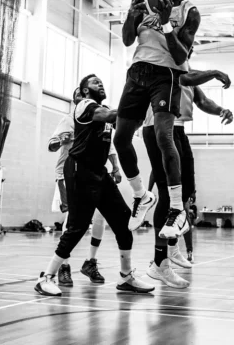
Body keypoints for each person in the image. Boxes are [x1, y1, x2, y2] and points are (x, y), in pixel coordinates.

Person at [35, 74, 154, 297]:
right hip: (79, 169)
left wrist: (148, 105)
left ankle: (126, 277)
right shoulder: (85, 106)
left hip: (100, 173)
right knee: (78, 226)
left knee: (123, 221)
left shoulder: (104, 111)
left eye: (101, 80)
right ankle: (46, 277)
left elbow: (125, 122)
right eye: (94, 81)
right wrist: (138, 98)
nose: (100, 82)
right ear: (84, 91)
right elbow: (112, 115)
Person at [113, 0, 201, 237]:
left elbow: (181, 56)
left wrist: (165, 22)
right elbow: (128, 40)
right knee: (121, 138)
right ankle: (141, 195)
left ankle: (177, 209)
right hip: (138, 70)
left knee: (165, 137)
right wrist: (131, 14)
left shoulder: (190, 12)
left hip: (166, 74)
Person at [143, 75, 233, 288]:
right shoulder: (162, 69)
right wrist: (213, 72)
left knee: (185, 192)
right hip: (160, 127)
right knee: (167, 194)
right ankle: (159, 261)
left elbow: (202, 102)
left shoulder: (190, 76)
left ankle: (172, 249)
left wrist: (221, 110)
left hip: (179, 129)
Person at [47, 87, 122, 285]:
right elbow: (52, 143)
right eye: (79, 97)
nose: (84, 100)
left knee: (100, 218)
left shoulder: (100, 118)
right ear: (76, 102)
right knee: (72, 221)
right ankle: (64, 266)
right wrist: (61, 141)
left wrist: (116, 167)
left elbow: (110, 146)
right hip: (70, 173)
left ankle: (91, 262)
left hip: (94, 174)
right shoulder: (69, 119)